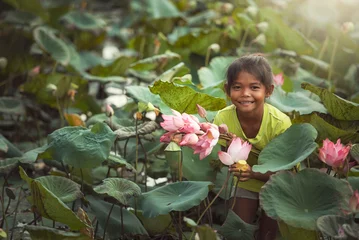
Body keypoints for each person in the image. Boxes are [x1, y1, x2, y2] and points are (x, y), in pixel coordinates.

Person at [213, 54, 291, 240]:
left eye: (254, 87)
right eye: (237, 87)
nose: (245, 94)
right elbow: (227, 160)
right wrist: (232, 147)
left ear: (269, 90)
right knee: (239, 230)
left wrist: (254, 173)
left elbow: (288, 173)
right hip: (245, 180)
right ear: (227, 89)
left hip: (278, 183)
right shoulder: (223, 119)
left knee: (267, 235)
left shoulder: (280, 124)